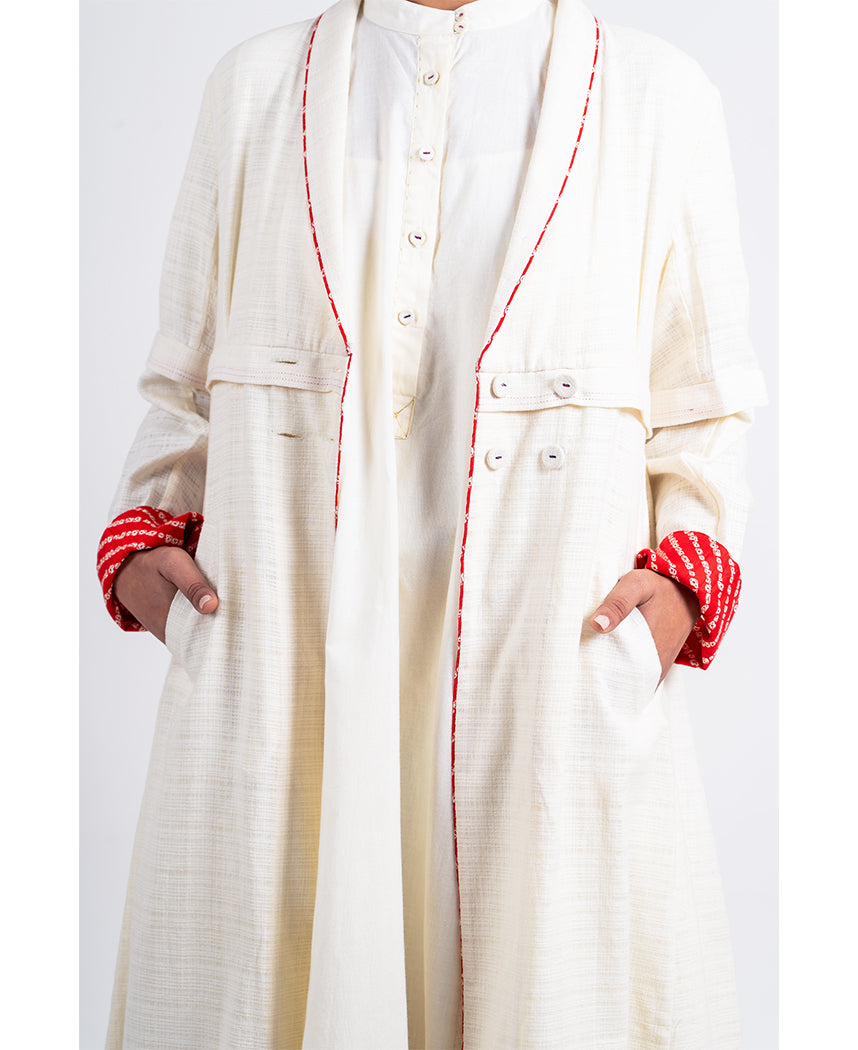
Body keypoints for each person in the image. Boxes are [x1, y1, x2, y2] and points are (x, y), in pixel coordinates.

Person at [97, 0, 767, 1046]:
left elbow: (707, 408)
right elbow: (179, 388)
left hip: (548, 650)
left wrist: (676, 599)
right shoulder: (254, 87)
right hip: (289, 644)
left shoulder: (656, 94)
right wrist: (142, 550)